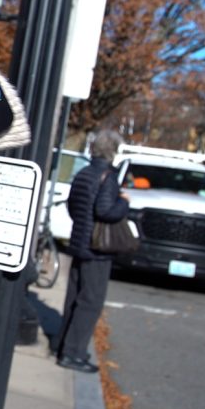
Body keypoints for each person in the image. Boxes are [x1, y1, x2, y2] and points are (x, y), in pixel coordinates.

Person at [50, 130, 130, 373]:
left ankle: (62, 344)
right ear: (112, 152)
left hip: (79, 242)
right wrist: (124, 202)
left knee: (74, 297)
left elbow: (73, 206)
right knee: (90, 302)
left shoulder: (83, 173)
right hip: (97, 248)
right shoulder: (109, 177)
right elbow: (106, 211)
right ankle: (73, 353)